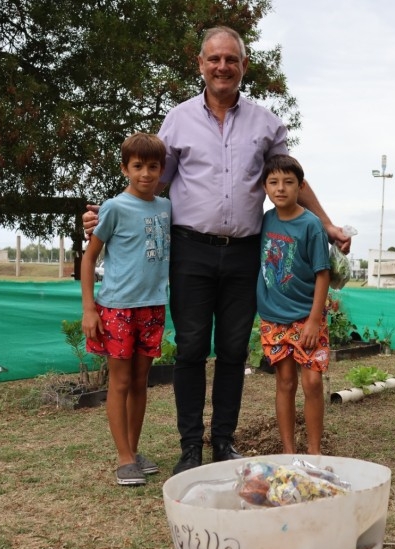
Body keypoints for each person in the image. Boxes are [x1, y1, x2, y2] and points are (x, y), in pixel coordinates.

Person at [83, 26, 350, 474]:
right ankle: (191, 448)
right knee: (189, 350)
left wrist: (325, 223)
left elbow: (291, 179)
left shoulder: (266, 123)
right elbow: (151, 180)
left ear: (244, 66)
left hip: (246, 252)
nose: (222, 66)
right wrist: (107, 215)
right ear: (200, 65)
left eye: (231, 59)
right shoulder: (178, 120)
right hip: (190, 251)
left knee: (231, 351)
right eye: (214, 59)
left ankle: (223, 441)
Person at [81, 132, 171, 486]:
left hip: (153, 307)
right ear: (125, 169)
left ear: (162, 170)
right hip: (117, 309)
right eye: (138, 167)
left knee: (140, 381)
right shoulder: (114, 207)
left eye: (152, 167)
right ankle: (122, 458)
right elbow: (89, 260)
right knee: (119, 383)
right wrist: (90, 309)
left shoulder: (166, 207)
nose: (145, 174)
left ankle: (133, 451)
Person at [257, 155, 330, 454]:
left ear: (300, 186)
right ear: (264, 187)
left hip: (307, 317)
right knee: (285, 381)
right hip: (273, 317)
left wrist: (314, 319)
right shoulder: (265, 220)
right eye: (273, 182)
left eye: (288, 182)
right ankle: (288, 451)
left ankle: (314, 451)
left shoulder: (311, 225)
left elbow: (322, 274)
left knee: (312, 383)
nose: (281, 188)